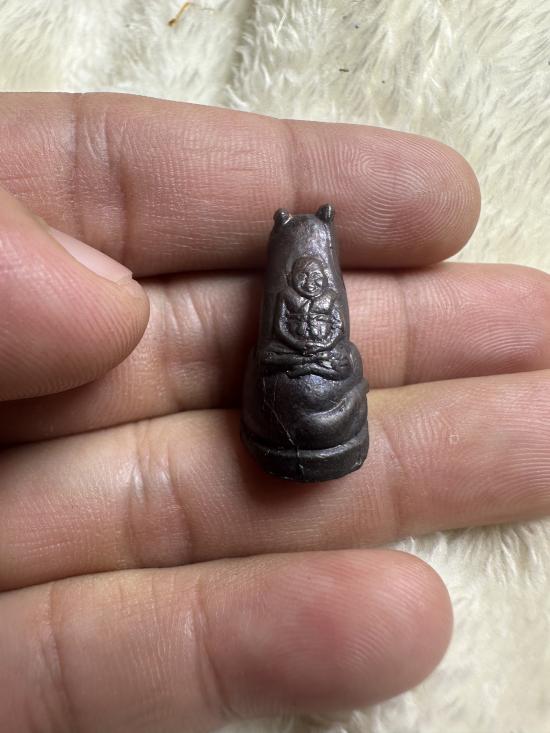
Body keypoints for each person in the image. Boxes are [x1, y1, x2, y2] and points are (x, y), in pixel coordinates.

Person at [0, 91, 548, 733]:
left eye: (319, 279)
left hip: (318, 377)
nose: (313, 286)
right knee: (292, 371)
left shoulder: (325, 296)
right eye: (305, 279)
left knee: (339, 366)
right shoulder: (285, 300)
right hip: (285, 374)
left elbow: (329, 332)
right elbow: (286, 331)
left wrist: (325, 351)